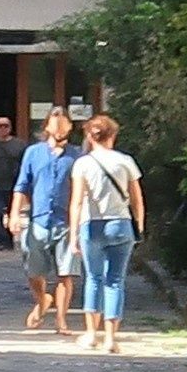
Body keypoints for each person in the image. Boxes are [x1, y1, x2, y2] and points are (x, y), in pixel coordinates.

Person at [67, 112, 147, 355]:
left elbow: (77, 202)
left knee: (93, 278)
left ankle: (91, 334)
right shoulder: (125, 161)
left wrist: (73, 235)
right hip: (121, 224)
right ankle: (111, 338)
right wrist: (139, 225)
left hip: (92, 225)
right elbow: (137, 198)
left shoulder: (83, 164)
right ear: (113, 135)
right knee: (115, 280)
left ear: (90, 137)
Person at [12, 106, 80, 334]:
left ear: (70, 127)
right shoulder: (33, 152)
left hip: (67, 222)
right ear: (47, 126)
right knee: (34, 272)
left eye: (64, 123)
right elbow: (22, 185)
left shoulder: (77, 156)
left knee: (65, 273)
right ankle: (42, 301)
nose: (59, 128)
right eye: (55, 122)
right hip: (39, 220)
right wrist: (14, 214)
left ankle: (61, 320)